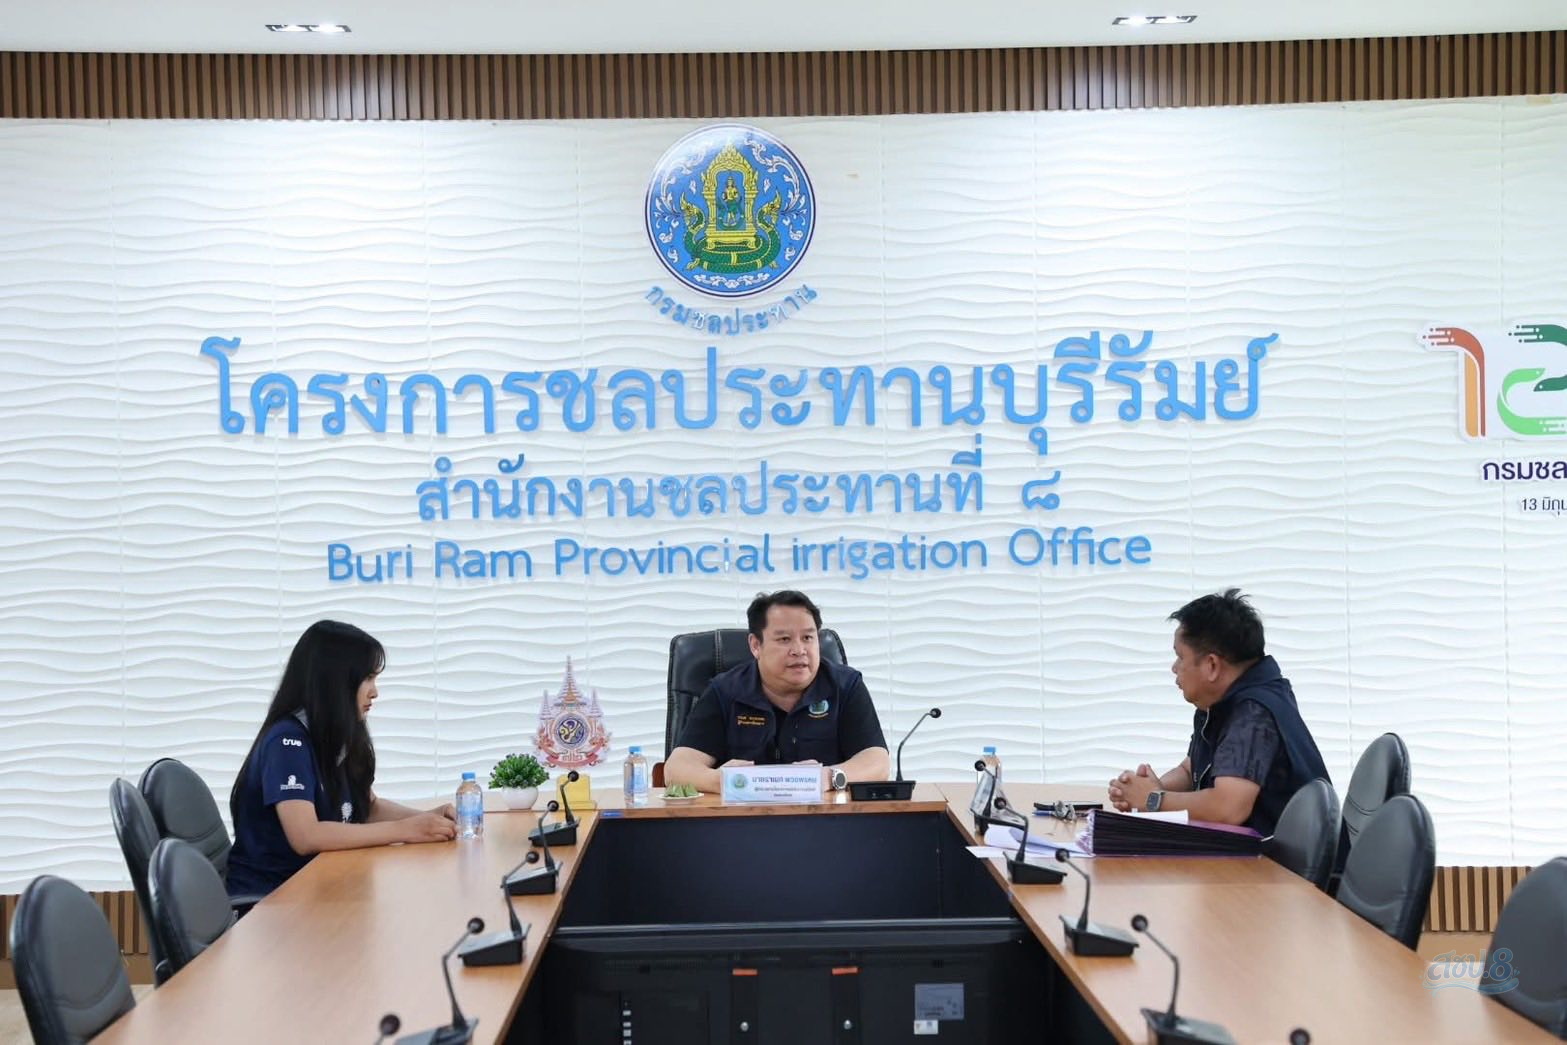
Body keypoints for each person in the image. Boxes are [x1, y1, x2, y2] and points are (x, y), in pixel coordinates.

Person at [226, 620, 456, 900]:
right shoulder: (287, 741)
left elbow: (367, 808)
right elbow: (306, 836)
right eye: (368, 678)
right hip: (272, 899)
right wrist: (404, 830)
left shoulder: (335, 734)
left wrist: (428, 818)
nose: (375, 692)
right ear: (335, 681)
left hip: (320, 884)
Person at [1107, 589, 1329, 836]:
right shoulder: (1219, 702)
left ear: (1211, 665)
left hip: (1279, 860)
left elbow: (1228, 808)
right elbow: (1190, 771)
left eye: (1180, 657)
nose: (1174, 668)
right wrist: (1148, 789)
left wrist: (1153, 799)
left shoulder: (1253, 712)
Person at [664, 591, 890, 794]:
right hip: (741, 821)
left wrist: (829, 777)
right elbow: (676, 769)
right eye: (784, 639)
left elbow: (877, 762)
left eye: (808, 638)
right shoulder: (725, 691)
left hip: (825, 820)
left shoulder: (845, 686)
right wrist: (724, 781)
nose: (799, 650)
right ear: (756, 645)